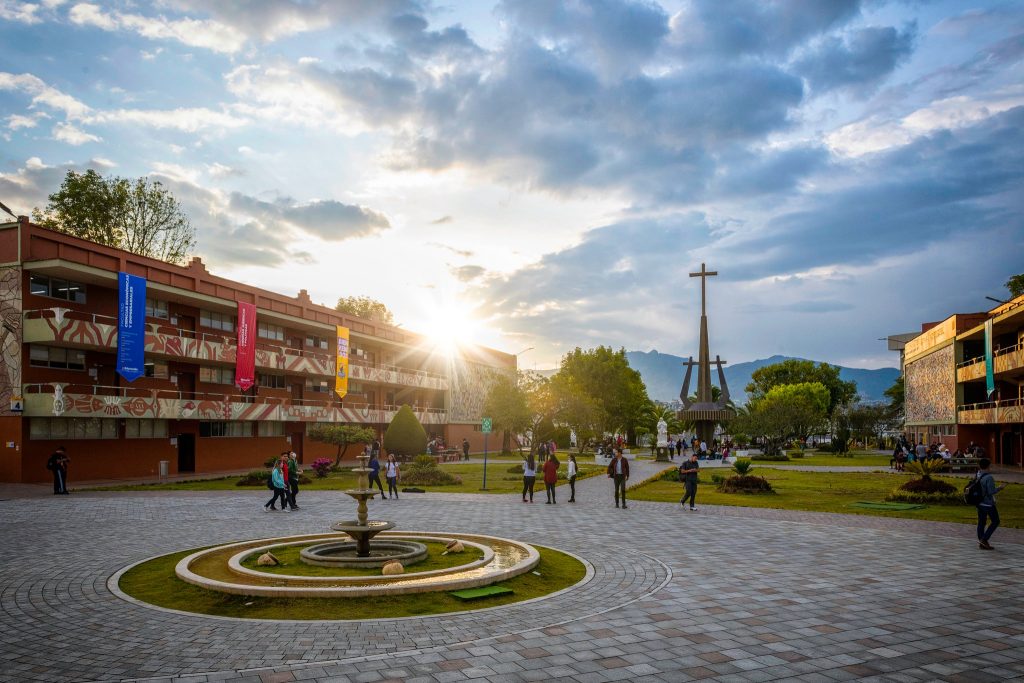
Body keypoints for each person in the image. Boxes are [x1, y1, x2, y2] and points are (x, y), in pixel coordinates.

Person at [975, 458, 1007, 550]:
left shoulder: (978, 475)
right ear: (988, 466)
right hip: (988, 504)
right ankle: (984, 539)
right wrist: (1000, 488)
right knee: (996, 521)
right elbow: (991, 492)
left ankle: (982, 542)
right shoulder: (989, 477)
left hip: (979, 502)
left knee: (981, 522)